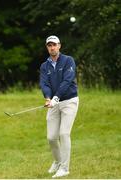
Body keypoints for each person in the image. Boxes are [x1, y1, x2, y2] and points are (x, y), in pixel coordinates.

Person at [40, 35, 79, 178]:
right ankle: (57, 161)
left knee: (64, 134)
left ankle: (65, 168)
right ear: (47, 47)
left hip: (69, 101)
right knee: (51, 137)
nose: (52, 47)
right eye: (49, 45)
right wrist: (48, 97)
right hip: (54, 103)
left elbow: (67, 80)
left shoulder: (68, 60)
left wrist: (56, 97)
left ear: (59, 46)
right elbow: (44, 84)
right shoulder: (44, 66)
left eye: (54, 45)